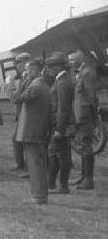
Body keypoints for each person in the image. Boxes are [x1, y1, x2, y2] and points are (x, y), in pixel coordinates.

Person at [15, 59, 51, 205]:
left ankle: (37, 195)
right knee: (39, 163)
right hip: (38, 129)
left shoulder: (35, 86)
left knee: (34, 163)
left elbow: (16, 98)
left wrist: (10, 85)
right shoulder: (42, 85)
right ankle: (41, 195)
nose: (25, 73)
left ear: (36, 70)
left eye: (28, 70)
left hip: (31, 130)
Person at [45, 52, 74, 194]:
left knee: (61, 156)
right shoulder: (61, 80)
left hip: (61, 126)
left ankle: (62, 186)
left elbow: (63, 108)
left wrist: (59, 129)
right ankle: (51, 183)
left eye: (51, 66)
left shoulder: (62, 82)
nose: (49, 68)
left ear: (59, 66)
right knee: (54, 153)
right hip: (58, 124)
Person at [71, 50, 98, 190]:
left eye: (73, 59)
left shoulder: (87, 72)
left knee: (86, 145)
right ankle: (84, 176)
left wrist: (94, 117)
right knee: (83, 145)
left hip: (85, 114)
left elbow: (91, 96)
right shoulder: (83, 72)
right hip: (81, 114)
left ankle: (88, 180)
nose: (71, 62)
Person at [5, 52, 32, 174]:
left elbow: (16, 98)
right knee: (17, 139)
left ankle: (26, 166)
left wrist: (9, 86)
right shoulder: (25, 78)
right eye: (17, 64)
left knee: (24, 140)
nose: (17, 67)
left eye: (19, 64)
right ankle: (21, 164)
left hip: (27, 114)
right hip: (22, 114)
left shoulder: (29, 79)